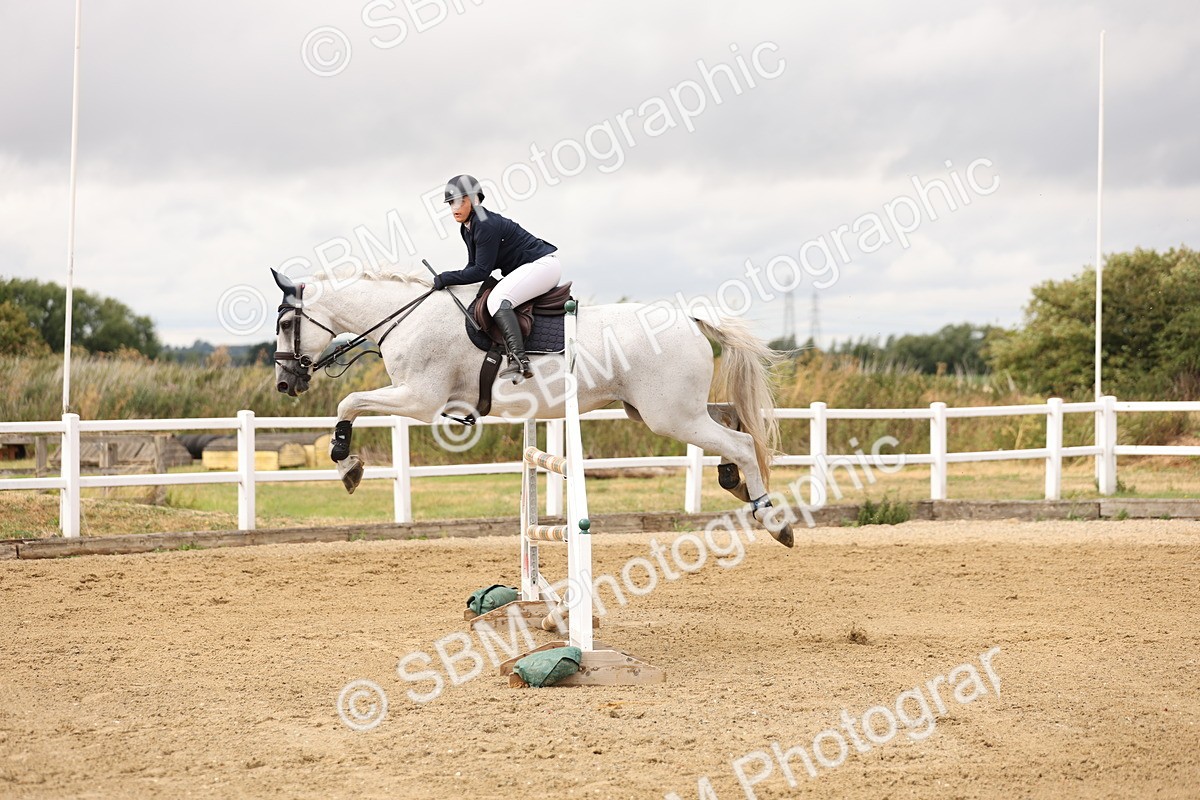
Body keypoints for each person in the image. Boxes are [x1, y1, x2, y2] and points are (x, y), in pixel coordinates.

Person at [432, 174, 560, 380]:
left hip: (542, 266)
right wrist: (449, 279)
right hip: (531, 268)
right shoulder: (468, 227)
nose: (454, 208)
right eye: (451, 203)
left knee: (498, 300)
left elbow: (481, 271)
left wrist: (446, 277)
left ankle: (519, 360)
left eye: (459, 202)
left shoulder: (484, 223)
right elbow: (472, 267)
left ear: (474, 200)